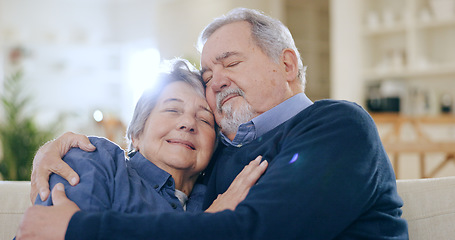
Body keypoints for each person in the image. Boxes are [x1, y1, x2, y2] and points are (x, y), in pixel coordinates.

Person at [17, 8, 408, 239]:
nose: (216, 82)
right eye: (207, 75)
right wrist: (55, 148)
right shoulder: (219, 156)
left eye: (231, 63)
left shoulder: (337, 125)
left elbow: (256, 231)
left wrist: (81, 229)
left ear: (287, 65)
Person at [31, 59, 267, 215]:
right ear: (136, 133)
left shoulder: (222, 195)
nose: (187, 123)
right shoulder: (95, 159)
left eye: (204, 119)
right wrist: (206, 226)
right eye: (172, 110)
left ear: (214, 145)